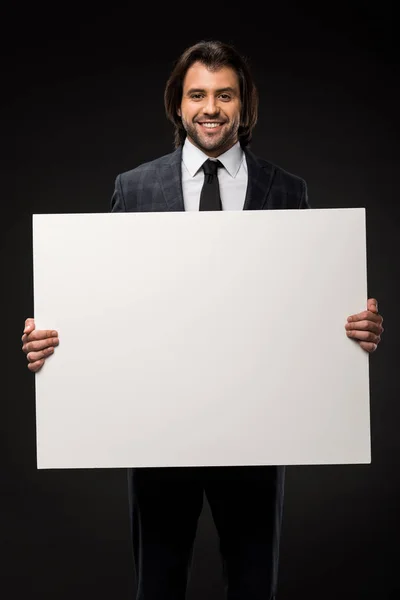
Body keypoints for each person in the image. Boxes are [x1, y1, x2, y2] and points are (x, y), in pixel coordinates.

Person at [21, 40, 384, 600]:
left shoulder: (287, 191)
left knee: (253, 584)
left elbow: (306, 309)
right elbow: (109, 302)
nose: (210, 107)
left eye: (224, 94)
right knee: (159, 585)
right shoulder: (134, 188)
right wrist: (53, 341)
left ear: (244, 105)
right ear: (178, 103)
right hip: (159, 428)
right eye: (197, 94)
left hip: (259, 430)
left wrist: (354, 331)